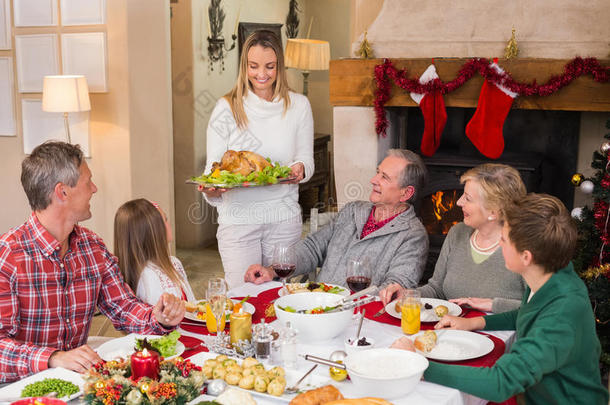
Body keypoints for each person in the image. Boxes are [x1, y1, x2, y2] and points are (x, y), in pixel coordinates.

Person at [391, 193, 609, 404]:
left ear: (526, 257)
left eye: (503, 240)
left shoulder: (561, 313)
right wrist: (474, 322)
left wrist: (420, 366)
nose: (499, 245)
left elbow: (502, 382)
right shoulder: (551, 276)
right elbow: (529, 312)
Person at [0, 141, 185, 382]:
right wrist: (53, 357)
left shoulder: (92, 247)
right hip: (20, 387)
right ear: (62, 192)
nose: (94, 189)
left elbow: (123, 306)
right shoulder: (9, 256)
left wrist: (157, 318)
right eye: (88, 182)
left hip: (78, 381)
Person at [201, 30, 314, 289]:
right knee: (243, 301)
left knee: (282, 299)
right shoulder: (227, 107)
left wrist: (301, 168)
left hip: (284, 221)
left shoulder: (299, 106)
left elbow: (306, 160)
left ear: (280, 67)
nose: (261, 74)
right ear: (244, 67)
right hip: (238, 223)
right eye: (253, 66)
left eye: (270, 66)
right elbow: (213, 169)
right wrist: (212, 188)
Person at [244, 149, 429, 289]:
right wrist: (272, 270)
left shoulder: (413, 235)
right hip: (316, 305)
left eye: (384, 177)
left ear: (406, 193)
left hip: (360, 318)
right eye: (377, 172)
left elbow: (396, 286)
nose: (373, 180)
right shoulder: (353, 210)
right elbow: (312, 247)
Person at [380, 163, 526, 313]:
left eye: (468, 199)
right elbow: (436, 289)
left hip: (499, 334)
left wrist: (492, 304)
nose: (458, 202)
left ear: (493, 212)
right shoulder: (458, 232)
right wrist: (407, 294)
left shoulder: (526, 246)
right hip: (450, 330)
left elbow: (543, 309)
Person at [114, 199, 196, 305]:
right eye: (165, 220)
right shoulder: (147, 279)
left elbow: (192, 305)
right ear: (154, 232)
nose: (169, 223)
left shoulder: (174, 262)